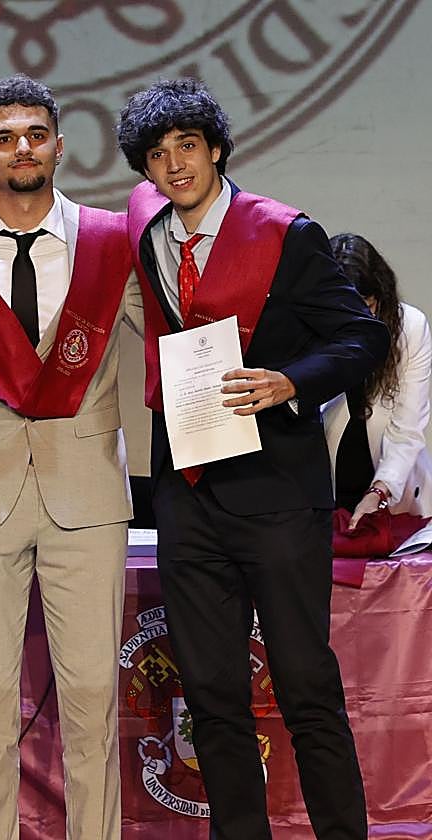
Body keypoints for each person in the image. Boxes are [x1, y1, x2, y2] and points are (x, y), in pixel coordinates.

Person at [116, 78, 387, 839]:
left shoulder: (284, 233)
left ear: (218, 149)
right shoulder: (148, 229)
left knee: (305, 686)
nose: (174, 166)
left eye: (188, 148)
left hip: (276, 493)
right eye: (158, 155)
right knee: (210, 695)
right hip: (187, 495)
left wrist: (289, 382)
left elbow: (361, 337)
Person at [0, 74, 140, 840]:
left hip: (88, 493)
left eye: (35, 135)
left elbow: (180, 335)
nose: (22, 149)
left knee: (91, 706)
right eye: (5, 137)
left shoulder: (116, 240)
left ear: (59, 146)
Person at [323, 233, 432, 528]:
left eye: (365, 306)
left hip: (393, 485)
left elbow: (408, 428)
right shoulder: (313, 325)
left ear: (380, 296)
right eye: (343, 309)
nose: (355, 319)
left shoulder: (409, 328)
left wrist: (379, 491)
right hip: (325, 480)